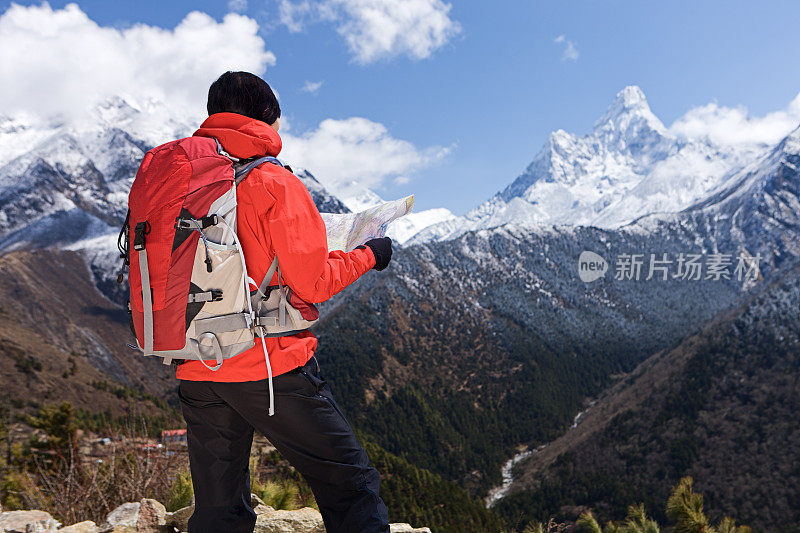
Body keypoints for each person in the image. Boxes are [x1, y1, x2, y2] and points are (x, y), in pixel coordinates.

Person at [176, 71, 393, 533]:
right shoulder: (273, 181)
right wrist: (368, 255)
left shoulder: (180, 183)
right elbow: (312, 283)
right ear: (268, 119)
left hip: (197, 367)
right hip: (268, 367)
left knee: (219, 512)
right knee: (351, 487)